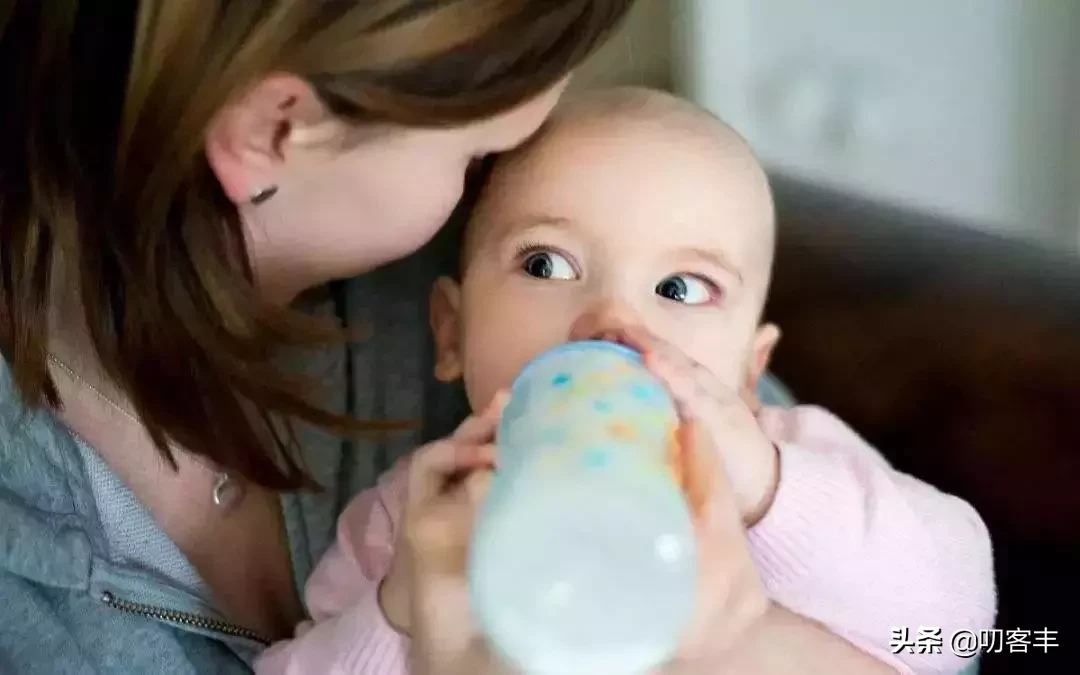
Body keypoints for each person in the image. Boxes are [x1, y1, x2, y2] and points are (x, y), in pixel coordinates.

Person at [255, 89, 996, 675]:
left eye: (680, 286)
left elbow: (956, 625)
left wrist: (772, 496)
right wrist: (400, 612)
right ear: (452, 333)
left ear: (750, 369)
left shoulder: (787, 465)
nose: (612, 319)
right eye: (546, 264)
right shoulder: (420, 519)